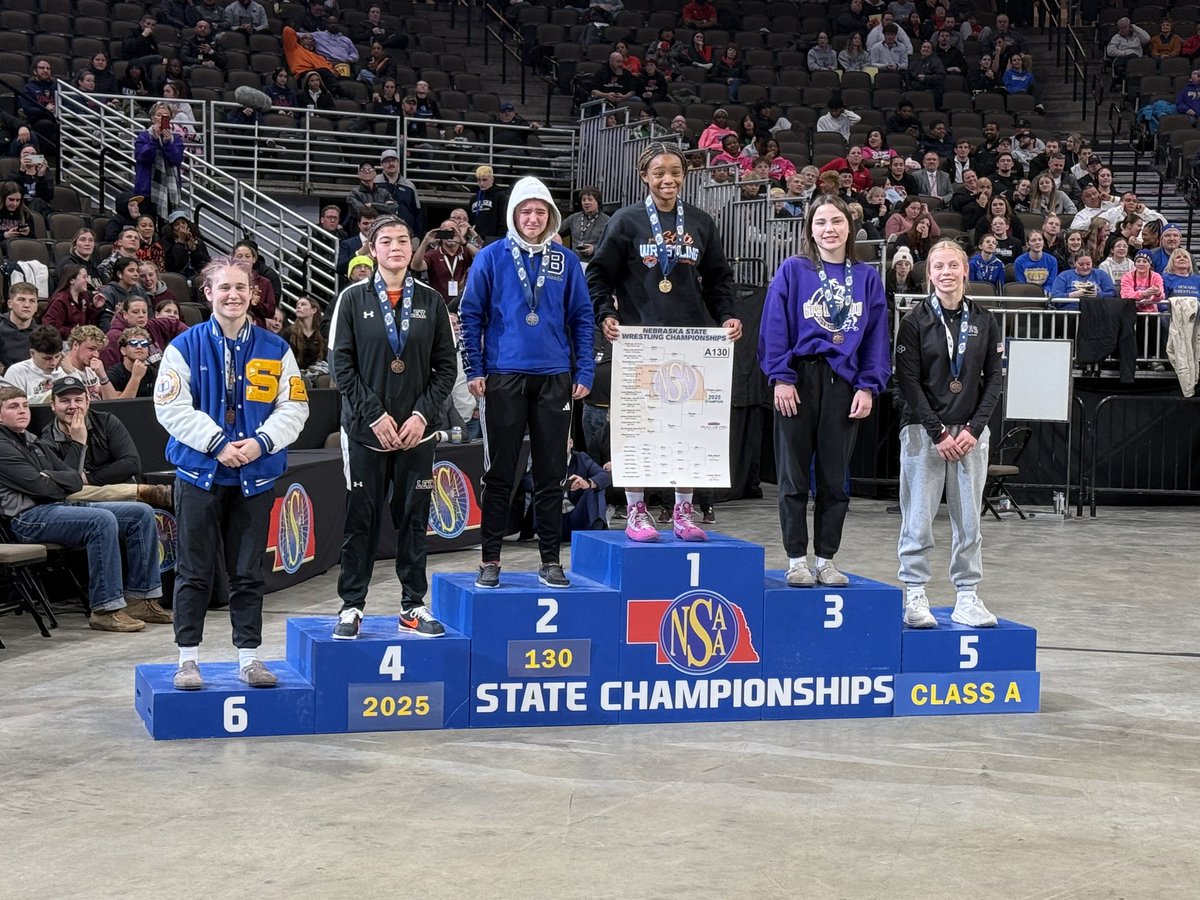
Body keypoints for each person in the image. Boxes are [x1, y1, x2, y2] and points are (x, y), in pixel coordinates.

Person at [154, 257, 309, 690]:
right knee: (194, 572)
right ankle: (188, 661)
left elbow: (295, 407)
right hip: (199, 474)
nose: (233, 295)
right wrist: (217, 444)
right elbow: (170, 407)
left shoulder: (277, 348)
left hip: (254, 476)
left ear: (252, 294)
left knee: (248, 573)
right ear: (208, 293)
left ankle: (249, 658)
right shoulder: (182, 347)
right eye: (224, 287)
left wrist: (260, 442)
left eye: (241, 287)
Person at [587, 142, 741, 542]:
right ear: (645, 177)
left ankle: (683, 510)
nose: (667, 179)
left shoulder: (702, 222)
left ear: (684, 176)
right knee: (638, 429)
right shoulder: (626, 220)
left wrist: (726, 315)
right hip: (640, 339)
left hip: (690, 340)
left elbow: (719, 278)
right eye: (659, 172)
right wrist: (607, 313)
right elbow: (599, 274)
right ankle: (637, 509)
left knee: (686, 428)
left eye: (675, 171)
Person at [460, 177, 595, 588]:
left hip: (555, 377)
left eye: (540, 211)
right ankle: (490, 559)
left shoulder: (566, 261)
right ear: (513, 215)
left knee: (553, 471)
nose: (533, 219)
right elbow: (470, 316)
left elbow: (582, 319)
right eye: (525, 211)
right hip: (503, 376)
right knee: (500, 472)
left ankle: (551, 559)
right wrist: (475, 369)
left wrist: (584, 369)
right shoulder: (490, 257)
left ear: (551, 215)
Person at [327, 216, 457, 640]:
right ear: (371, 248)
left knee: (415, 519)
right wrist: (375, 416)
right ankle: (351, 606)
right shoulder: (351, 299)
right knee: (361, 520)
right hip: (367, 432)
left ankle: (412, 605)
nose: (396, 247)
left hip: (418, 433)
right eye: (387, 241)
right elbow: (340, 367)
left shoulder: (432, 301)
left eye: (403, 240)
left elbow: (446, 368)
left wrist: (421, 415)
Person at [757, 195, 890, 587]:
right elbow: (774, 326)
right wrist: (781, 377)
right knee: (793, 477)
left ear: (849, 227)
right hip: (798, 379)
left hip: (843, 384)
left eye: (836, 222)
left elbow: (877, 338)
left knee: (834, 479)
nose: (828, 229)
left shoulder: (866, 277)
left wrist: (868, 386)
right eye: (820, 223)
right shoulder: (793, 270)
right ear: (810, 229)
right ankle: (797, 559)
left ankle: (826, 559)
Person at [894, 239, 1003, 630]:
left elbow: (994, 382)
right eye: (938, 266)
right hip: (926, 433)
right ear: (929, 274)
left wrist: (974, 428)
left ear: (965, 271)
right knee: (919, 517)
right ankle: (915, 593)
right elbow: (907, 382)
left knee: (969, 520)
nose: (945, 272)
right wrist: (938, 431)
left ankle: (968, 596)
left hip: (971, 433)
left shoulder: (985, 320)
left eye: (953, 265)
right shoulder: (915, 321)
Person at [0, 383, 168, 632]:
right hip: (27, 518)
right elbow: (42, 488)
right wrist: (59, 475)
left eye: (25, 405)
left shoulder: (32, 441)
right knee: (99, 519)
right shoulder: (3, 446)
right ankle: (105, 608)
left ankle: (142, 599)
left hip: (55, 508)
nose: (23, 411)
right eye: (13, 407)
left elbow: (71, 478)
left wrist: (58, 471)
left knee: (140, 513)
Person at [135, 103, 185, 222]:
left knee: (166, 225)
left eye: (165, 116)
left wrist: (167, 143)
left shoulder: (176, 139)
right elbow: (143, 157)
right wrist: (154, 140)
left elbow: (176, 159)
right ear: (152, 118)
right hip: (147, 189)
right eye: (158, 115)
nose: (161, 118)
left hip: (168, 189)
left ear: (170, 119)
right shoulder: (144, 136)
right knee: (146, 221)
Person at [3, 325, 66, 404]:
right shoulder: (17, 372)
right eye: (47, 358)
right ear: (32, 353)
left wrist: (73, 372)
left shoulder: (66, 370)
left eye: (57, 356)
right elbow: (13, 404)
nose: (53, 363)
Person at [59, 325, 118, 401]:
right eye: (91, 349)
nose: (96, 355)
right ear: (75, 345)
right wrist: (73, 374)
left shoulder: (92, 370)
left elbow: (113, 403)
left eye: (99, 351)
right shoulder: (62, 371)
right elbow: (80, 403)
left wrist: (103, 376)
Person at [1, 282, 38, 370]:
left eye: (32, 301)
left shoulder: (43, 334)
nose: (27, 305)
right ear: (10, 304)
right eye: (21, 300)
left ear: (36, 307)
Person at [471, 166, 509, 242]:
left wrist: (499, 238)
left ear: (492, 179)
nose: (481, 183)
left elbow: (503, 220)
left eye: (484, 180)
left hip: (493, 238)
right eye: (479, 180)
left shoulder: (500, 195)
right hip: (475, 238)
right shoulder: (474, 198)